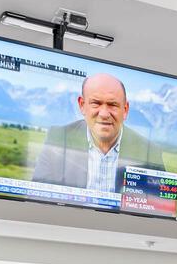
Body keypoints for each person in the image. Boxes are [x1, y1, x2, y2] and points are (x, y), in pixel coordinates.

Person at [31, 74, 169, 194]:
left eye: (112, 105)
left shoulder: (150, 153)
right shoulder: (58, 138)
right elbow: (37, 198)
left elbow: (160, 212)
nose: (104, 114)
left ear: (125, 110)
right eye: (96, 103)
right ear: (82, 105)